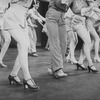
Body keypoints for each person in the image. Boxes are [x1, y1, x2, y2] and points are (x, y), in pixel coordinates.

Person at [3, 0, 39, 91]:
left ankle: (13, 74)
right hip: (13, 16)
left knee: (25, 47)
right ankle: (27, 78)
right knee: (24, 44)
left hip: (22, 17)